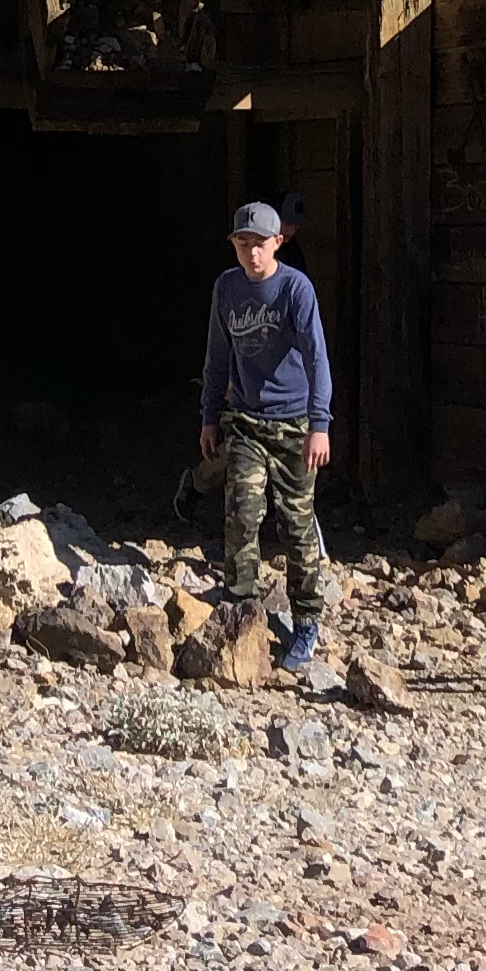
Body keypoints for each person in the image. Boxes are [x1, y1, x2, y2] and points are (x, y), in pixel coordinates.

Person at [198, 198, 333, 679]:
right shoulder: (227, 289)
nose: (251, 252)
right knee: (242, 513)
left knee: (297, 528)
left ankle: (307, 622)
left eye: (260, 243)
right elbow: (217, 356)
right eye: (242, 243)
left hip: (295, 422)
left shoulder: (295, 290)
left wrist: (320, 424)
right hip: (247, 419)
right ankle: (242, 608)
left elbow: (317, 357)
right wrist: (210, 417)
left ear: (278, 242)